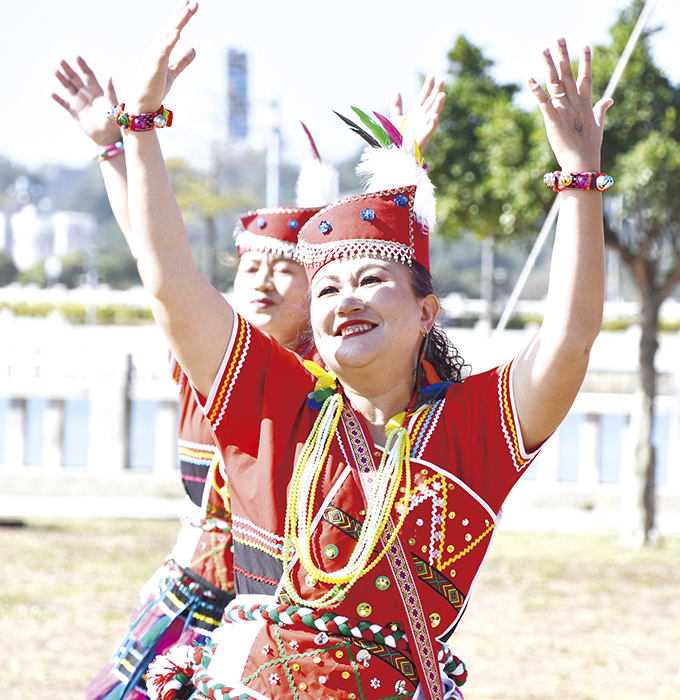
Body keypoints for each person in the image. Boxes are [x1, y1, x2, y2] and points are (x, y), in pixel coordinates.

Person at [95, 2, 613, 698]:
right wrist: (141, 126)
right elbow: (170, 280)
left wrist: (579, 178)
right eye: (329, 287)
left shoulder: (468, 431)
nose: (348, 298)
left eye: (372, 279)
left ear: (427, 312)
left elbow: (570, 338)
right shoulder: (273, 410)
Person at [51, 42, 446, 700]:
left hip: (301, 633)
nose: (261, 280)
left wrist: (405, 174)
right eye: (250, 266)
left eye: (285, 268)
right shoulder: (204, 366)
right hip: (194, 607)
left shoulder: (330, 384)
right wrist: (115, 149)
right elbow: (160, 263)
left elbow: (396, 305)